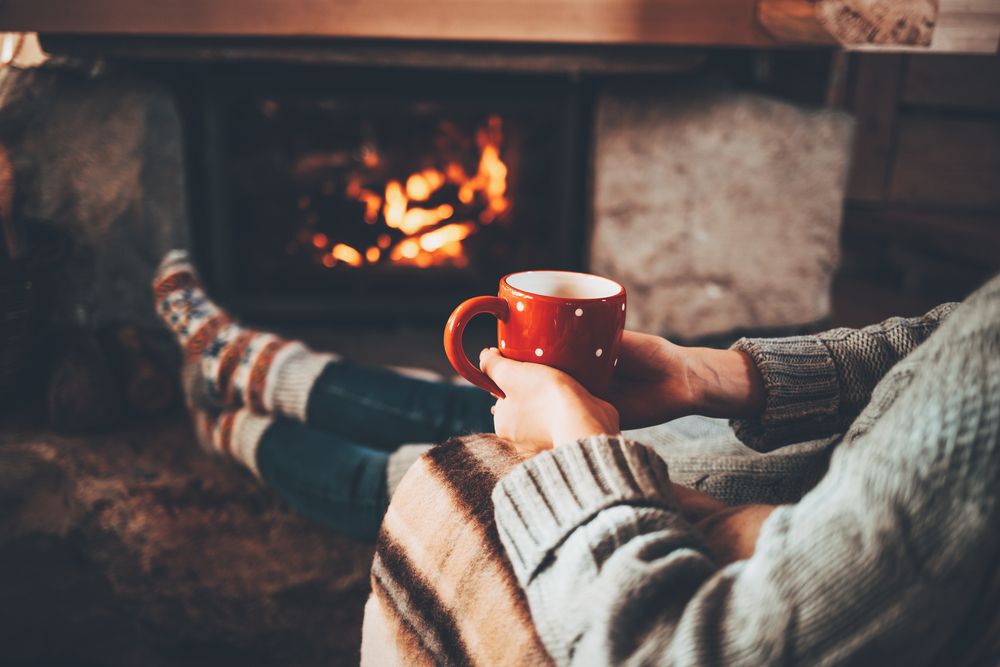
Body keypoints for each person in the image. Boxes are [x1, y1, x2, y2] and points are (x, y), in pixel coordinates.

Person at [480, 274, 999, 665]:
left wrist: (575, 455)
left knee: (456, 463)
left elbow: (667, 647)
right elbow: (944, 338)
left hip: (770, 522)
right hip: (811, 467)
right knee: (465, 428)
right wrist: (707, 374)